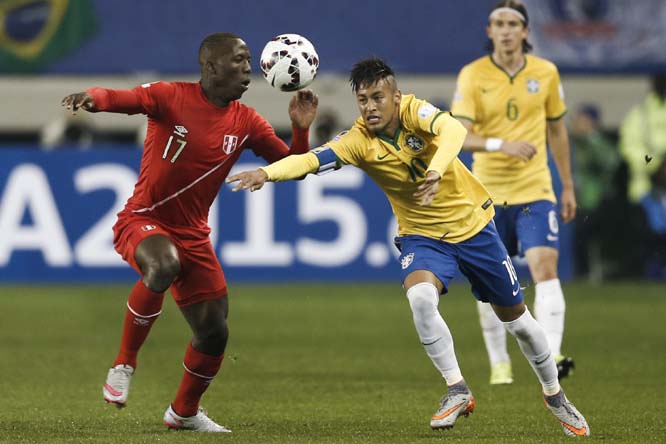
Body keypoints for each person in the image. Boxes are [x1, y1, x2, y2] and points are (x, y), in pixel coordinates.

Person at [227, 57, 589, 436]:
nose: (370, 107)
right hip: (422, 236)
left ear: (396, 97)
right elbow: (310, 161)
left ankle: (554, 395)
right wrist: (265, 173)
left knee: (519, 322)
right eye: (363, 99)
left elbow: (452, 131)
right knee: (420, 299)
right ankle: (457, 389)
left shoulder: (417, 112)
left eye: (378, 97)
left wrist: (435, 171)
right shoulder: (358, 142)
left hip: (475, 229)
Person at [61, 32, 318, 433]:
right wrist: (92, 97)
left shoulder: (246, 121)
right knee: (162, 264)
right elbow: (123, 98)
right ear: (210, 66)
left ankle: (182, 413)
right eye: (238, 59)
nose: (248, 67)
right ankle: (124, 363)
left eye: (249, 59)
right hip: (142, 220)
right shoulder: (170, 96)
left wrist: (300, 131)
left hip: (194, 236)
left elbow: (292, 166)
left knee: (214, 332)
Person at [450, 0, 576, 385]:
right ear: (489, 32)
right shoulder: (473, 75)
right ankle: (499, 363)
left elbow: (557, 129)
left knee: (544, 268)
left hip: (534, 189)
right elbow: (458, 135)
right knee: (492, 283)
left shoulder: (546, 73)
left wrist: (567, 184)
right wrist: (500, 145)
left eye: (512, 24)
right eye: (497, 24)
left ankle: (551, 353)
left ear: (525, 32)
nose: (505, 30)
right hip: (485, 193)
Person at [619, 73, 666, 278]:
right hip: (648, 186)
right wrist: (655, 166)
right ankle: (653, 272)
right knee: (655, 231)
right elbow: (630, 147)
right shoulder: (640, 114)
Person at [569, 104, 620, 281]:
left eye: (582, 119)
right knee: (579, 236)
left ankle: (596, 271)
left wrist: (590, 137)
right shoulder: (572, 142)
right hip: (575, 198)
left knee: (593, 237)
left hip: (596, 198)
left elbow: (611, 162)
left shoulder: (598, 142)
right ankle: (581, 272)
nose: (577, 123)